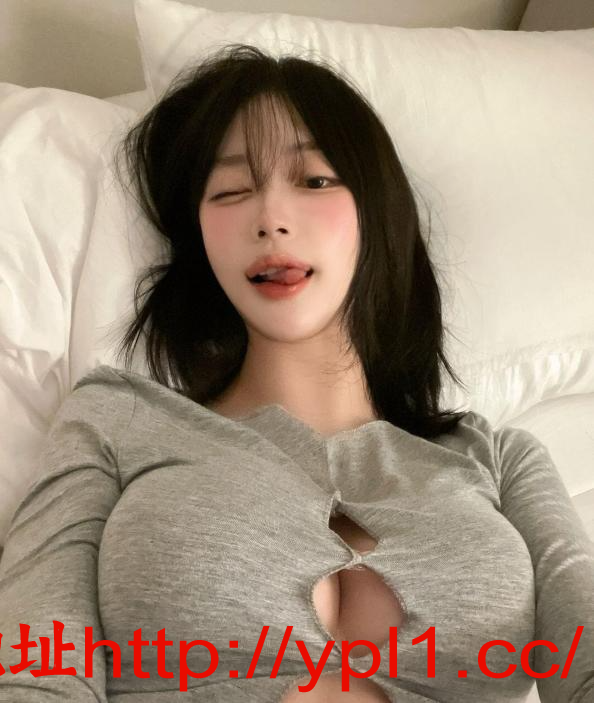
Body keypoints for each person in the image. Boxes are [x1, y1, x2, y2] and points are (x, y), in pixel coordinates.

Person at [0, 44, 592, 703]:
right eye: (231, 190)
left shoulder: (501, 462)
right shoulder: (115, 422)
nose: (271, 220)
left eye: (313, 180)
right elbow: (36, 676)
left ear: (376, 208)